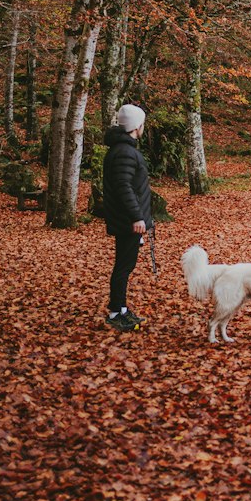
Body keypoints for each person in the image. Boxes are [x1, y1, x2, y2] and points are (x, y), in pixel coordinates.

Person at [102, 104, 154, 332]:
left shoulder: (122, 149)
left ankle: (121, 309)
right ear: (136, 126)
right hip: (127, 221)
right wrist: (137, 217)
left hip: (127, 219)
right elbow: (124, 187)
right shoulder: (124, 151)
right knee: (123, 267)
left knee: (125, 266)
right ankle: (115, 312)